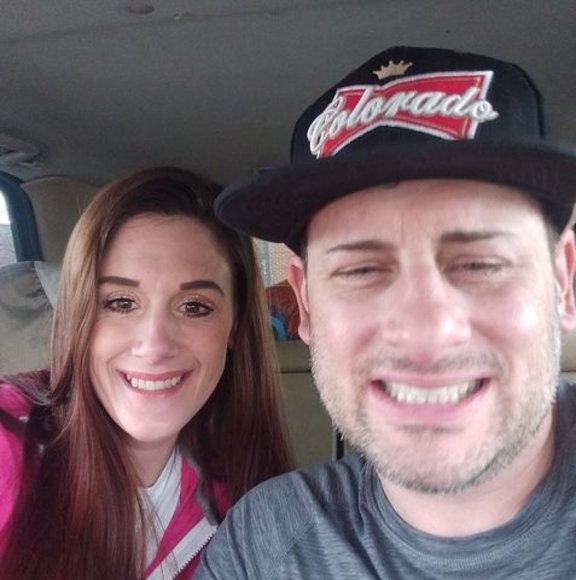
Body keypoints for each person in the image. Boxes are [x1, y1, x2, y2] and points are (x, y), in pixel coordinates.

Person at [196, 46, 576, 578]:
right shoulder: (264, 546)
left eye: (480, 264)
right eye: (360, 270)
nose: (425, 333)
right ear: (306, 305)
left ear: (563, 283)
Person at [0, 166, 295, 579]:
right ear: (79, 311)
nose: (154, 346)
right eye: (121, 303)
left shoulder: (248, 493)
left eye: (194, 307)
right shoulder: (9, 439)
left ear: (234, 326)